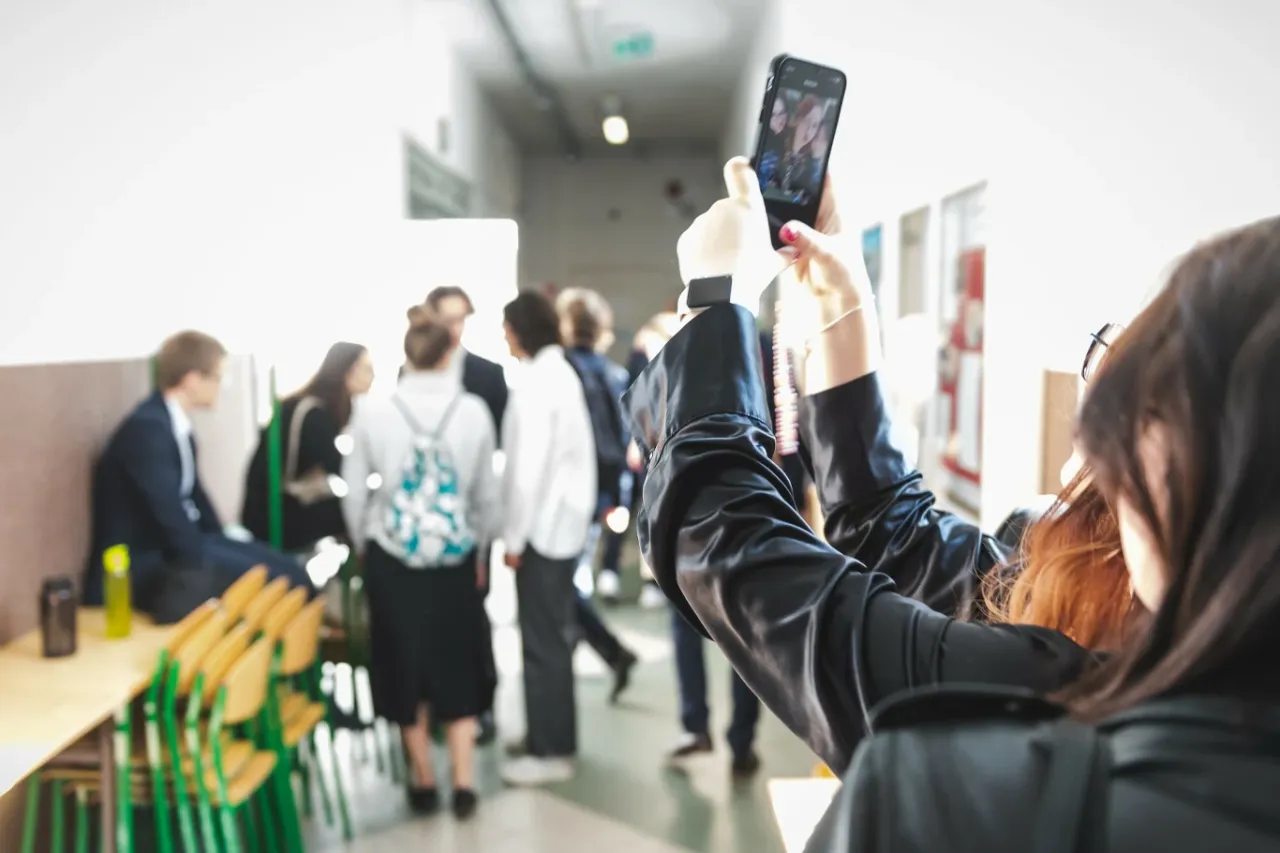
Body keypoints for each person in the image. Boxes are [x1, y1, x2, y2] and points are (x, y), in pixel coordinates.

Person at [628, 158, 1280, 849]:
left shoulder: (983, 783)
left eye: (1142, 384)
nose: (1099, 403)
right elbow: (902, 541)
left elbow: (777, 593)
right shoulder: (1136, 624)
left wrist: (713, 301)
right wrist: (844, 319)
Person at [341, 306, 500, 820]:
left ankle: (423, 779)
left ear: (405, 354)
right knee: (459, 661)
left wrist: (366, 541)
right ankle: (464, 781)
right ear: (450, 351)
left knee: (402, 663)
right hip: (454, 561)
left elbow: (353, 495)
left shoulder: (372, 412)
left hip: (393, 560)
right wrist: (478, 550)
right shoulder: (473, 410)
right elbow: (485, 497)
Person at [87, 331, 312, 611]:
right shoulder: (147, 429)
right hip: (142, 562)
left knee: (290, 570)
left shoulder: (175, 426)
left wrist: (223, 541)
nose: (221, 386)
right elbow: (169, 514)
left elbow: (196, 497)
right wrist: (209, 564)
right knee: (280, 580)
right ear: (192, 380)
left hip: (177, 545)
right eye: (218, 377)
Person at [498, 289, 597, 786]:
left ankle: (552, 750)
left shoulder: (540, 381)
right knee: (548, 638)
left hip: (542, 530)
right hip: (558, 525)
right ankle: (546, 735)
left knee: (543, 643)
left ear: (519, 330)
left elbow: (527, 473)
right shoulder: (555, 374)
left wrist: (513, 539)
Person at [424, 284, 507, 744]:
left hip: (471, 514)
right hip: (425, 515)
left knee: (474, 613)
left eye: (461, 319)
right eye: (446, 319)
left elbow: (496, 453)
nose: (454, 330)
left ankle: (481, 705)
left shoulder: (488, 375)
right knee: (434, 614)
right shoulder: (408, 371)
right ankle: (443, 704)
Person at [555, 287, 639, 702]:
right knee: (570, 582)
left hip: (567, 495)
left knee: (559, 585)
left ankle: (609, 652)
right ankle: (608, 653)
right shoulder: (613, 374)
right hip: (601, 495)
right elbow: (625, 443)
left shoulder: (562, 373)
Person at [242, 342, 373, 551]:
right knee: (364, 507)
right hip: (275, 516)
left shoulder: (303, 404)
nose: (372, 378)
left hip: (267, 509)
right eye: (368, 369)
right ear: (350, 371)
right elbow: (341, 468)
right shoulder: (313, 414)